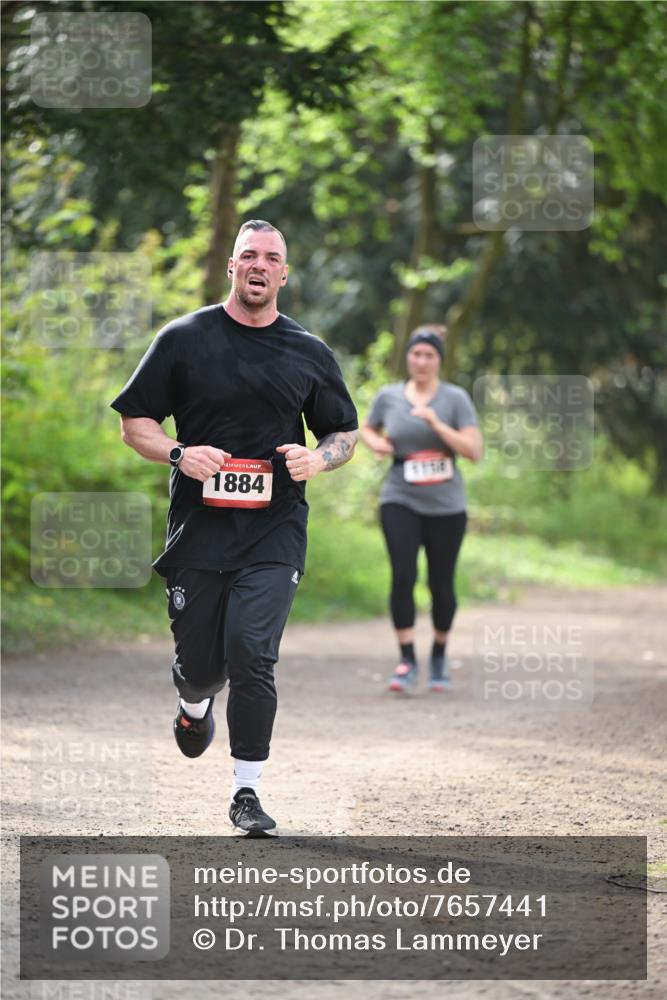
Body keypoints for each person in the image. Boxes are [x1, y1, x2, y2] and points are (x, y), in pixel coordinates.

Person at [110, 220, 358, 835]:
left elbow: (343, 432)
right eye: (248, 254)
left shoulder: (308, 351)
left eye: (271, 257)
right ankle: (194, 703)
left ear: (283, 274)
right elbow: (135, 422)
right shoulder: (184, 338)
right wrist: (178, 453)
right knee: (201, 664)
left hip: (275, 531)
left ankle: (246, 791)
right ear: (231, 266)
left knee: (253, 654)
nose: (259, 265)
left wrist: (317, 459)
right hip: (198, 532)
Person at [360, 325, 482, 693]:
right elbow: (366, 427)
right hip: (400, 495)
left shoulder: (455, 398)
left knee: (440, 582)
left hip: (447, 504)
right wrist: (377, 443)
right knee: (403, 575)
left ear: (439, 360)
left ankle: (440, 653)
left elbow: (473, 451)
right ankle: (407, 658)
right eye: (416, 354)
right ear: (408, 357)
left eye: (429, 355)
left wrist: (435, 423)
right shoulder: (389, 396)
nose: (422, 361)